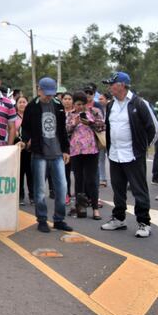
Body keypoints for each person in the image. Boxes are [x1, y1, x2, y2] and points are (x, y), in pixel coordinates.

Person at [100, 72, 158, 238]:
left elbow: (154, 129)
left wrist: (142, 149)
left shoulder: (139, 103)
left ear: (122, 85)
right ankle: (119, 219)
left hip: (133, 155)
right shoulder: (110, 105)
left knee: (139, 190)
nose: (110, 87)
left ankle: (144, 222)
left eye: (112, 84)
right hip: (115, 154)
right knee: (118, 189)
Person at [21, 77, 73, 233]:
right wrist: (26, 140)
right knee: (40, 190)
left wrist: (66, 150)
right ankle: (42, 220)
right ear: (39, 90)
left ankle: (59, 219)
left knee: (62, 188)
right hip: (39, 154)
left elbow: (63, 131)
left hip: (57, 154)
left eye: (52, 93)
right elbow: (25, 128)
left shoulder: (58, 106)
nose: (49, 96)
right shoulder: (31, 107)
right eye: (46, 93)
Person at [66, 91, 105, 219]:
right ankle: (80, 207)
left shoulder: (94, 112)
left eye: (83, 104)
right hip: (76, 151)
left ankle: (95, 208)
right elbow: (65, 131)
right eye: (77, 104)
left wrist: (90, 123)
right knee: (78, 179)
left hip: (92, 151)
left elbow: (102, 126)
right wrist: (74, 123)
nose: (80, 107)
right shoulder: (70, 115)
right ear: (74, 104)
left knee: (91, 180)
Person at [14, 94, 33, 206]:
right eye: (20, 102)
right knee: (19, 173)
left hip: (30, 148)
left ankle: (32, 196)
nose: (22, 104)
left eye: (24, 102)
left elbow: (35, 129)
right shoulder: (13, 117)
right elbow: (10, 129)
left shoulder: (31, 115)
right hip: (18, 148)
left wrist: (30, 141)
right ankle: (20, 196)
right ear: (16, 105)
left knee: (31, 173)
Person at [98, 92, 110, 188]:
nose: (99, 100)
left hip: (111, 138)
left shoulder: (113, 109)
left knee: (112, 158)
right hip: (101, 137)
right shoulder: (98, 110)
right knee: (101, 158)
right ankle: (102, 178)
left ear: (107, 100)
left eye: (101, 99)